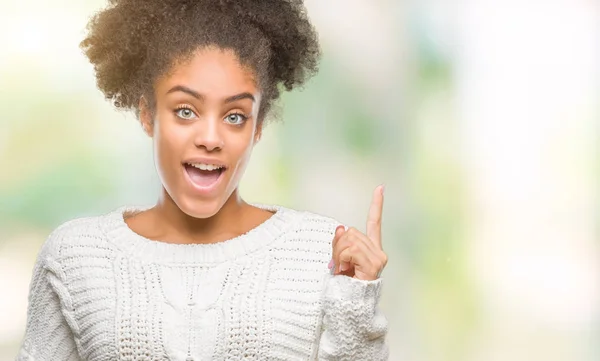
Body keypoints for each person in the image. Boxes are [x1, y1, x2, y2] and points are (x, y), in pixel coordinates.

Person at [16, 0, 389, 360]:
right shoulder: (76, 256)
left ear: (257, 127)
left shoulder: (321, 252)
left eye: (235, 116)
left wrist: (355, 300)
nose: (210, 138)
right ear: (147, 115)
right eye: (185, 110)